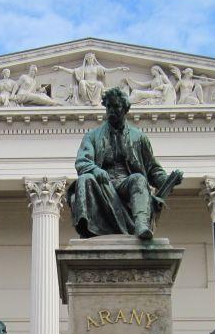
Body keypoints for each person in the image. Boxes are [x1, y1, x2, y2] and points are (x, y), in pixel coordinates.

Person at [69, 87, 182, 240]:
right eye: (108, 106)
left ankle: (141, 225)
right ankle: (87, 228)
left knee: (138, 178)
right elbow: (82, 161)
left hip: (127, 184)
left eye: (116, 106)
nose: (111, 110)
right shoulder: (92, 136)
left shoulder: (138, 137)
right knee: (85, 178)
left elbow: (152, 169)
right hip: (102, 185)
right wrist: (95, 170)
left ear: (125, 109)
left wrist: (167, 181)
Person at [52, 52, 129, 105]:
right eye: (88, 58)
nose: (90, 60)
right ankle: (86, 100)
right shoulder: (83, 68)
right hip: (86, 83)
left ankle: (96, 101)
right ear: (86, 60)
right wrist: (61, 68)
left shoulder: (97, 68)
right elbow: (72, 71)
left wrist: (119, 68)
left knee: (99, 83)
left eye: (91, 58)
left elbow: (108, 70)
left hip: (95, 83)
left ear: (93, 59)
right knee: (82, 82)